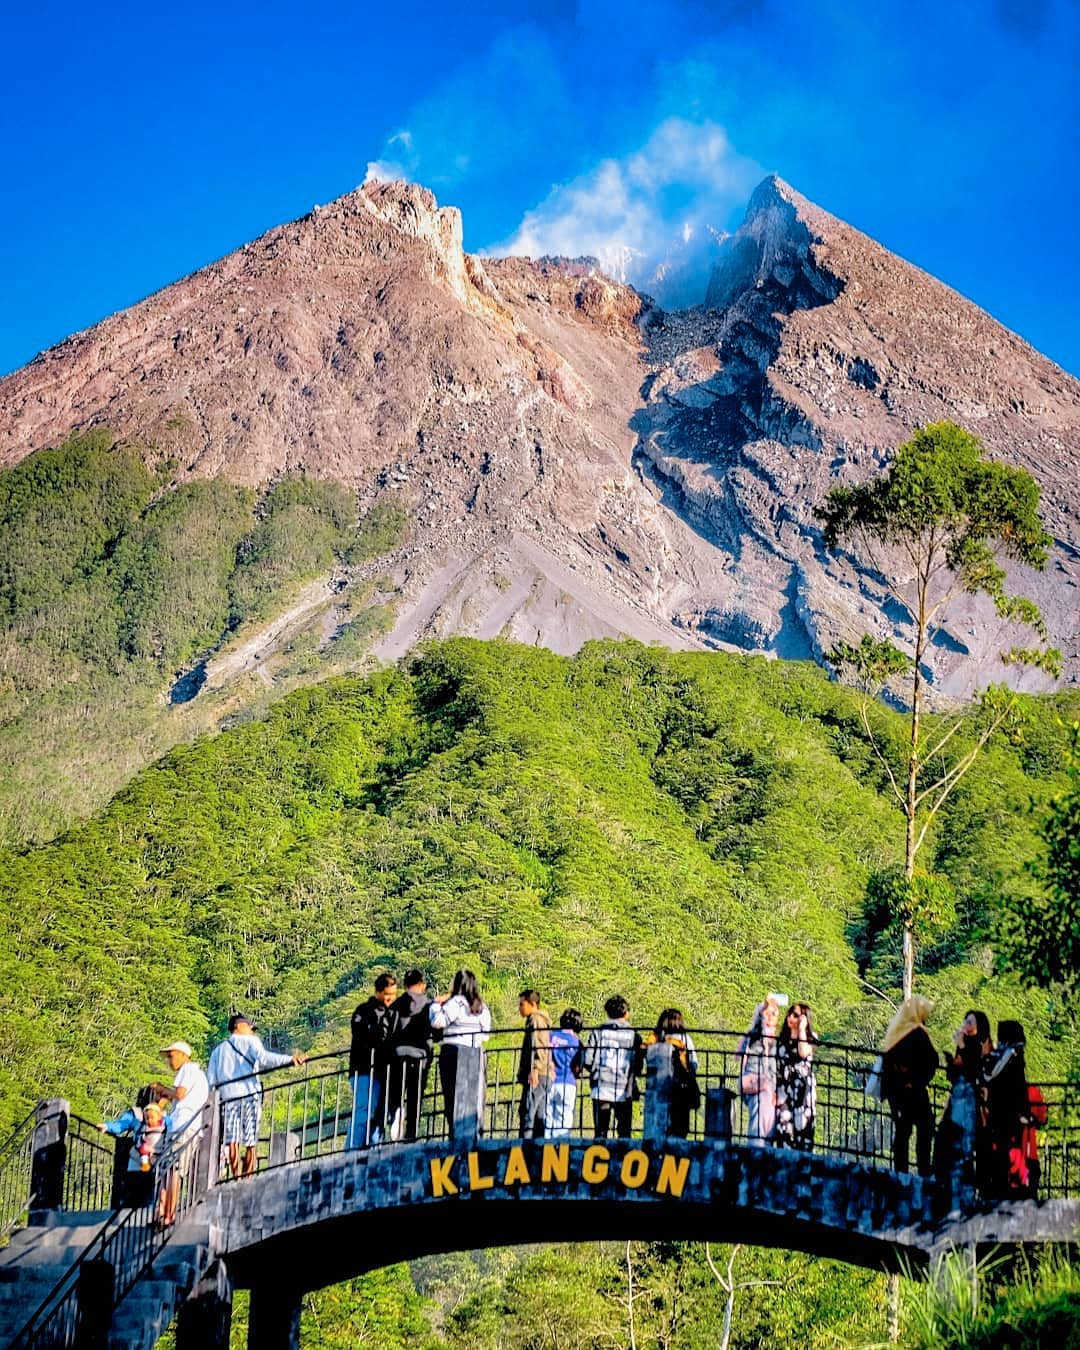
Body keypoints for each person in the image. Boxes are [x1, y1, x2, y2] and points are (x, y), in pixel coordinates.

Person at [206, 1015, 305, 1178]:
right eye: (250, 1028)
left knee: (233, 1141)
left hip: (229, 1099)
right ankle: (248, 1176)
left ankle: (236, 1177)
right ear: (240, 1026)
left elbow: (211, 1082)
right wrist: (290, 1060)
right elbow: (265, 1058)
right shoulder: (250, 1042)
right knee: (251, 1141)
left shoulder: (217, 1052)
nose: (252, 1032)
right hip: (250, 1097)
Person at [880, 995, 939, 1176]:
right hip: (913, 1092)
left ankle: (901, 1171)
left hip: (895, 1091)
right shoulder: (917, 1033)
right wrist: (916, 1081)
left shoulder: (896, 1031)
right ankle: (923, 1169)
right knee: (925, 1128)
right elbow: (932, 1060)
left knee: (902, 1131)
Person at [938, 1009, 994, 1199]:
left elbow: (973, 1071)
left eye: (970, 1022)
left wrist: (961, 1046)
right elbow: (954, 1074)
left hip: (974, 1104)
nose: (966, 1024)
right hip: (959, 1100)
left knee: (972, 1143)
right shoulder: (965, 1044)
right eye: (966, 1021)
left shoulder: (981, 1046)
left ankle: (976, 1186)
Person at [430, 969, 492, 1138]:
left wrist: (435, 1005)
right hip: (476, 1052)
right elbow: (486, 1034)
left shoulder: (456, 1002)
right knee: (473, 1097)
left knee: (452, 1096)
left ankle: (455, 1135)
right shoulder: (482, 1007)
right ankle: (474, 1135)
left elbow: (438, 1022)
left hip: (453, 1052)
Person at [156, 1041, 209, 1226]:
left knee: (172, 1170)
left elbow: (180, 1095)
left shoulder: (187, 1070)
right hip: (190, 1126)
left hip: (182, 1126)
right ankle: (162, 1211)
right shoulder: (200, 1076)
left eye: (172, 1056)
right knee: (171, 1170)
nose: (170, 1061)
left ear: (182, 1054)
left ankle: (168, 1213)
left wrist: (162, 1090)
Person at [986, 1019, 1038, 1199]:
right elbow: (1018, 1089)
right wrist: (1023, 1113)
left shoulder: (998, 1057)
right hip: (1010, 1118)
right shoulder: (1014, 1056)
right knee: (1010, 1158)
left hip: (997, 1115)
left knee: (1000, 1160)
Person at [349, 974, 400, 1148]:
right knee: (364, 1111)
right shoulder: (363, 1011)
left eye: (393, 994)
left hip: (383, 1072)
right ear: (378, 992)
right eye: (387, 994)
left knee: (379, 1114)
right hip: (363, 1070)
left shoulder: (393, 1013)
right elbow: (360, 1034)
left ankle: (372, 1150)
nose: (390, 998)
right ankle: (353, 1152)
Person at [99, 1085, 171, 1208]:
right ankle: (148, 1212)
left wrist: (108, 1126)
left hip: (138, 1158)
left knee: (136, 1187)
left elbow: (121, 1125)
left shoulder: (136, 1113)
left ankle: (134, 1211)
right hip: (155, 1158)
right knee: (150, 1187)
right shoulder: (163, 1116)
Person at [583, 995, 643, 1138]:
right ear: (626, 1013)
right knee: (624, 1131)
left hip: (601, 1084)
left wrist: (595, 1071)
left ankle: (598, 1157)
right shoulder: (634, 1035)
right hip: (624, 1087)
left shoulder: (598, 1032)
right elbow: (639, 1064)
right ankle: (622, 1158)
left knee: (601, 1131)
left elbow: (587, 1059)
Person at [388, 970, 434, 1141]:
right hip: (420, 1057)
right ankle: (411, 1134)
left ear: (405, 985)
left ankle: (397, 1114)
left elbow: (389, 1032)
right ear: (422, 985)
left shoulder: (397, 1005)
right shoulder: (429, 1005)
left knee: (396, 1093)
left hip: (398, 1057)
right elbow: (436, 1032)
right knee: (416, 1097)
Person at [644, 1009, 700, 1139]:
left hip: (657, 1087)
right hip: (681, 1087)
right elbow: (694, 1063)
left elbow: (647, 1056)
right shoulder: (684, 1039)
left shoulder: (655, 1038)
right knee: (680, 1127)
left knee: (658, 1128)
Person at [738, 996, 780, 1146]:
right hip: (754, 1081)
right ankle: (757, 1147)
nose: (771, 1017)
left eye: (774, 1014)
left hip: (769, 1085)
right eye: (768, 1013)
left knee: (769, 1106)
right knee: (762, 1101)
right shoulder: (754, 1037)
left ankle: (763, 1145)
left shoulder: (776, 1041)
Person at [775, 1002, 817, 1150]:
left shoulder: (810, 1038)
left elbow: (803, 1052)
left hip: (803, 1092)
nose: (790, 1017)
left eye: (796, 1015)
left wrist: (801, 1030)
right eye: (790, 1013)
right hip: (784, 1092)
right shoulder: (781, 1042)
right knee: (784, 1131)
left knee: (803, 1134)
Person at [517, 990, 554, 1139]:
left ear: (532, 1004)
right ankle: (538, 1149)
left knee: (528, 1112)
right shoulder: (540, 1020)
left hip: (538, 1074)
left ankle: (525, 1149)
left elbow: (539, 1045)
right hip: (544, 1073)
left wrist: (535, 1069)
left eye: (522, 1004)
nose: (520, 1008)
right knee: (539, 1115)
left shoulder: (536, 1020)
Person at [545, 1009, 584, 1138]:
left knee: (548, 1118)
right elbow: (580, 1066)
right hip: (568, 1082)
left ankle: (546, 1151)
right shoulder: (577, 1042)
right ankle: (561, 1152)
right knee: (564, 1120)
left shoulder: (550, 1036)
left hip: (550, 1080)